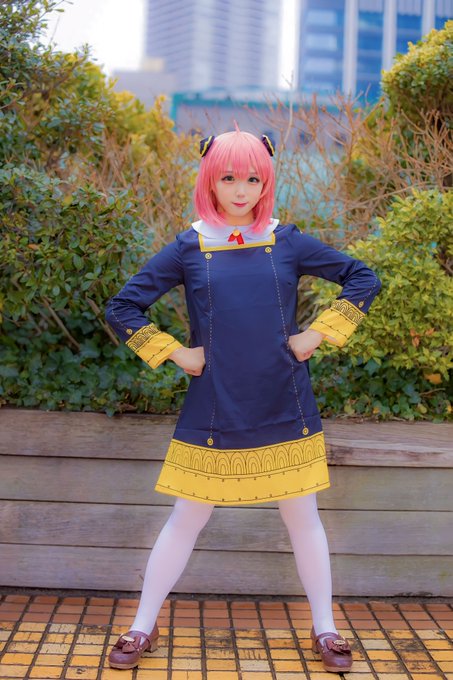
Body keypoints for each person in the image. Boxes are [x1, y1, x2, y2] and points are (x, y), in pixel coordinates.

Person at [105, 126, 382, 673]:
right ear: (210, 179)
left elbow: (362, 277)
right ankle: (142, 625)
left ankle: (325, 627)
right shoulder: (190, 246)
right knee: (185, 518)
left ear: (266, 182)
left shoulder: (287, 241)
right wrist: (176, 353)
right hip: (215, 407)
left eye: (253, 179)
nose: (240, 190)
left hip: (284, 401)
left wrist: (316, 335)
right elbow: (122, 308)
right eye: (229, 178)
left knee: (304, 519)